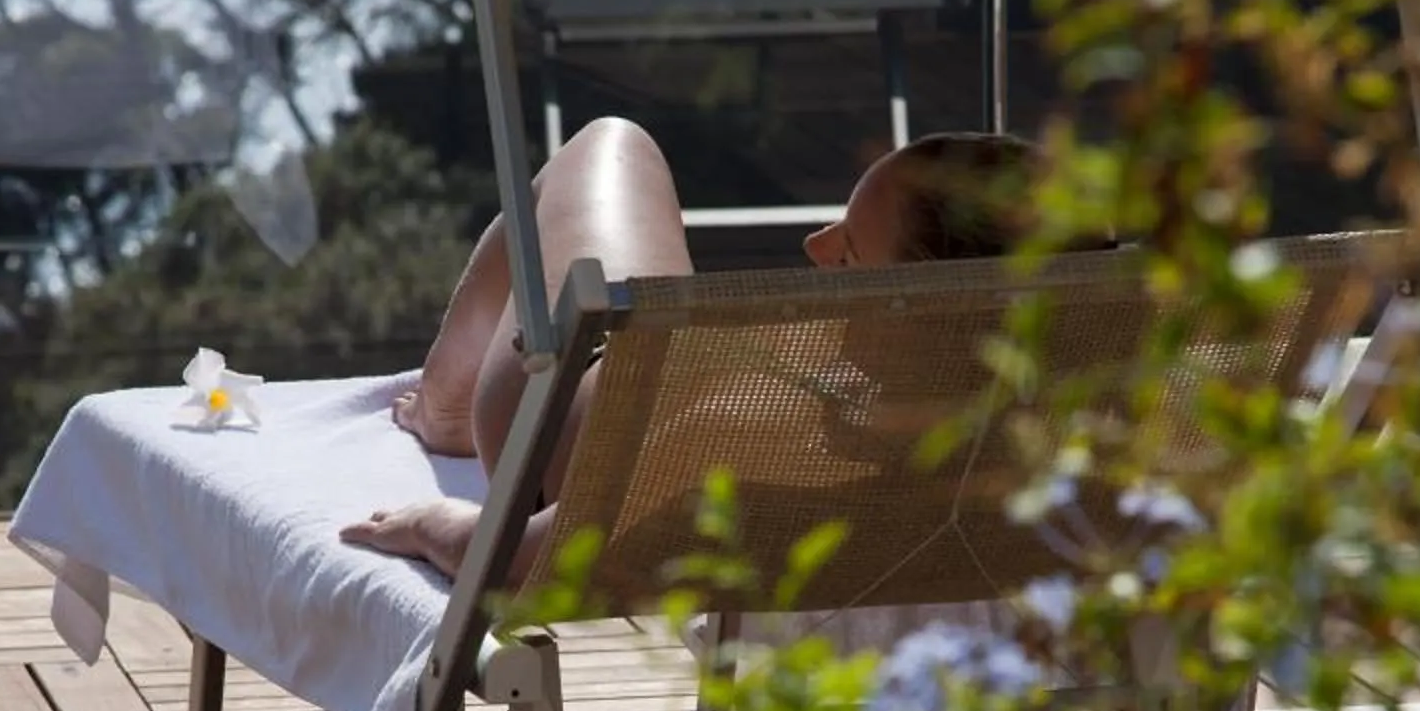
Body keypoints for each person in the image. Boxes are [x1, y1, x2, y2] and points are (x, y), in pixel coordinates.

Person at [339, 116, 1044, 583]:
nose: (813, 245)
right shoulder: (1069, 448)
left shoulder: (741, 430)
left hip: (554, 428)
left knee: (610, 146)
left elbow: (536, 556)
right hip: (686, 406)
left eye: (850, 254)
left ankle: (444, 412)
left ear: (924, 318)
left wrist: (433, 524)